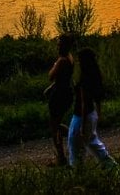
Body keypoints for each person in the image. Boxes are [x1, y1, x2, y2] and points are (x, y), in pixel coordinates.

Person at [68, 47, 117, 169]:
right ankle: (109, 164)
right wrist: (98, 114)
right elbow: (97, 97)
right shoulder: (95, 75)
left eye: (79, 60)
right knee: (91, 141)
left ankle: (78, 169)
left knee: (75, 143)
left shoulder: (85, 79)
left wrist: (83, 125)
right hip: (91, 114)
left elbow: (84, 103)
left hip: (82, 115)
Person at [45, 34, 75, 166]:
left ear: (63, 45)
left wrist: (55, 64)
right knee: (55, 125)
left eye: (59, 44)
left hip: (59, 95)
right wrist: (51, 87)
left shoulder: (62, 60)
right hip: (65, 93)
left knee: (54, 127)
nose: (57, 46)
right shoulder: (70, 57)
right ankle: (74, 139)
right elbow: (62, 78)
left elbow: (51, 76)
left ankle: (61, 158)